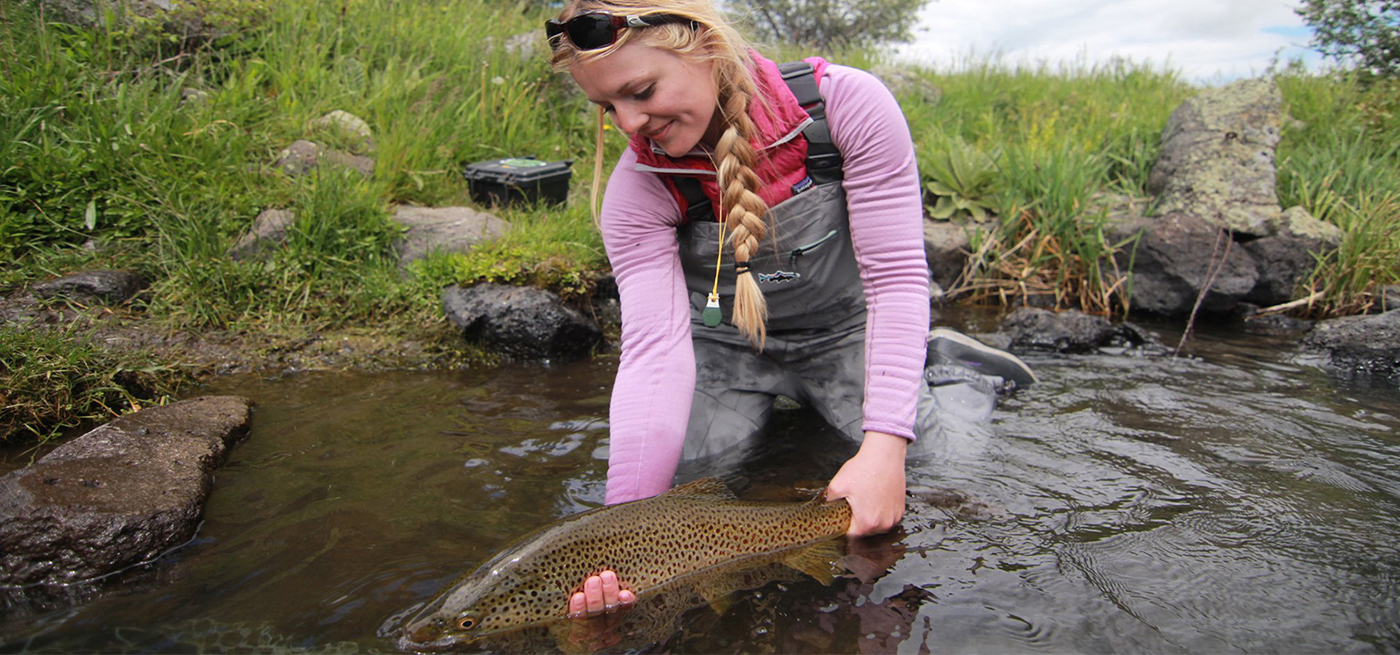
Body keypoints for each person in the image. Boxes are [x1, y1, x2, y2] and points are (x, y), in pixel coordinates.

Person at [544, 0, 1035, 619]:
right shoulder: (638, 189)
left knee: (942, 472)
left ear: (708, 45)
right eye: (607, 106)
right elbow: (653, 354)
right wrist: (622, 534)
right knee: (685, 477)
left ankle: (954, 373)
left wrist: (884, 450)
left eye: (640, 91)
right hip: (722, 349)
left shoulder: (846, 108)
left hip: (843, 334)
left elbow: (897, 278)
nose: (629, 123)